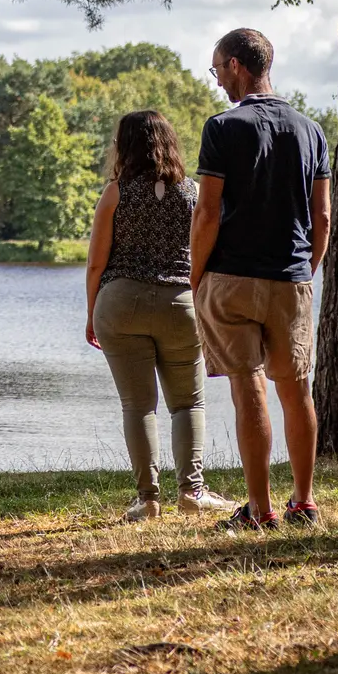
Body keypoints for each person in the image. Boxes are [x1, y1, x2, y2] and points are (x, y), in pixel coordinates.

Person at [192, 28, 331, 531]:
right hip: (290, 277)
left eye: (216, 69)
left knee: (247, 388)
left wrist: (195, 274)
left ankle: (260, 509)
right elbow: (324, 218)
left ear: (235, 65)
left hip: (230, 276)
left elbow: (207, 213)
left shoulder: (222, 127)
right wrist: (304, 270)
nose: (217, 80)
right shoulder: (311, 130)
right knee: (297, 391)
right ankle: (305, 501)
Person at [85, 110, 238, 521]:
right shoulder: (191, 192)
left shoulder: (115, 193)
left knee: (138, 406)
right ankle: (192, 491)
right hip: (180, 304)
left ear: (126, 146)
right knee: (187, 404)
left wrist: (90, 314)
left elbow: (96, 264)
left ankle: (147, 500)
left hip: (120, 302)